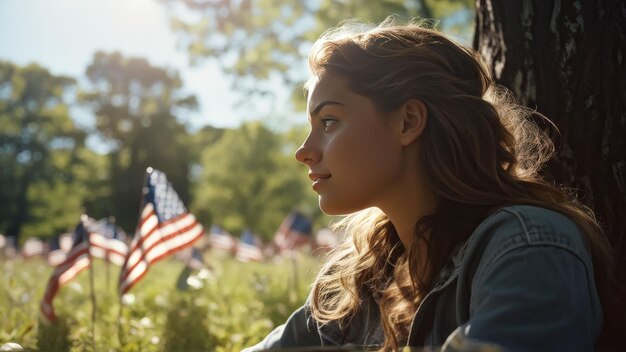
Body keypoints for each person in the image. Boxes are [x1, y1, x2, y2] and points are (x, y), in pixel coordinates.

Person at [244, 17, 623, 351]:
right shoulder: (354, 279)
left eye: (328, 122)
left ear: (408, 122)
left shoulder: (528, 245)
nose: (304, 152)